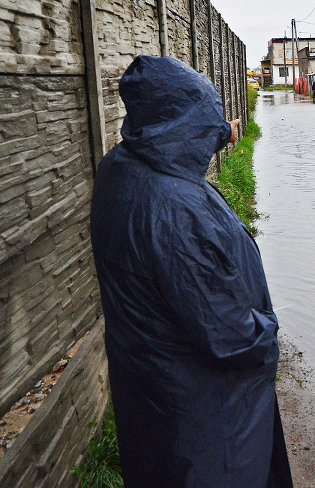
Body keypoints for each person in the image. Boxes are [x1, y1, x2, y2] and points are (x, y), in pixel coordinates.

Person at [90, 56, 292, 487]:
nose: (210, 132)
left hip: (151, 391)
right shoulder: (176, 207)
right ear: (182, 122)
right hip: (203, 418)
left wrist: (223, 132)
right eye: (206, 120)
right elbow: (226, 332)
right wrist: (266, 333)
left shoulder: (121, 168)